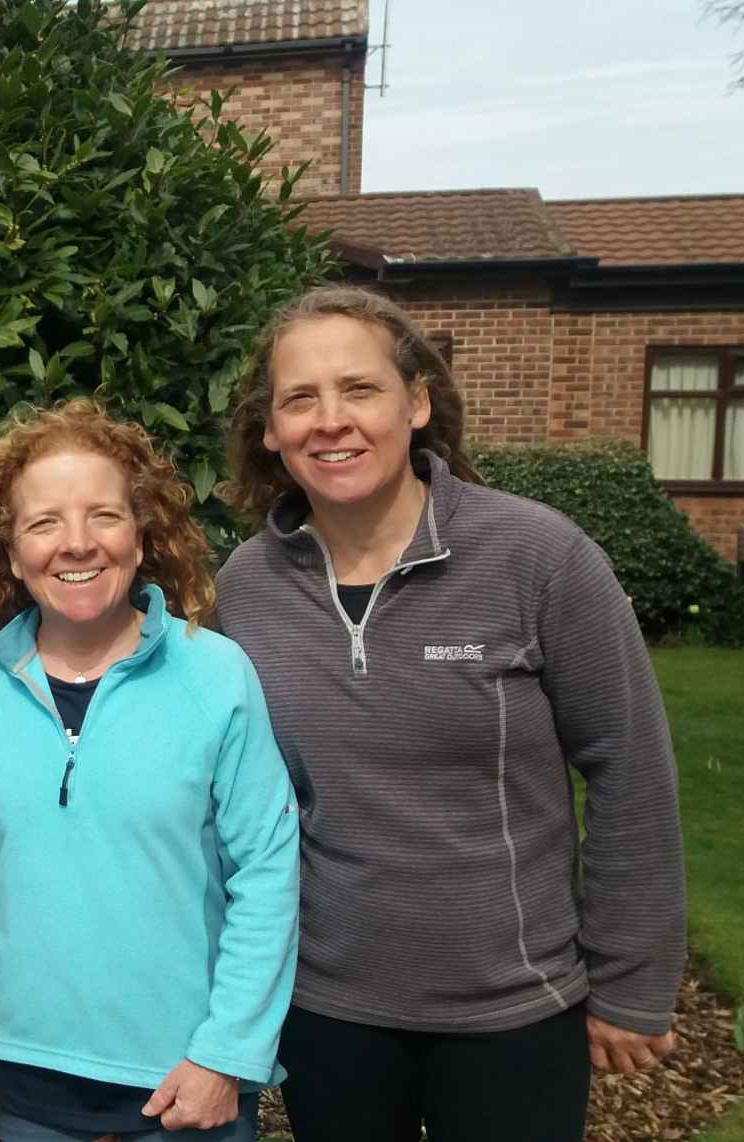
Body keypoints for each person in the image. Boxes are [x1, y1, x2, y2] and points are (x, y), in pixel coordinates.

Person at [213, 285, 686, 1142]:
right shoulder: (245, 589)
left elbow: (629, 765)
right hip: (328, 1011)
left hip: (514, 1012)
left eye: (359, 389)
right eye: (299, 399)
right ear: (271, 432)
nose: (331, 421)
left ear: (417, 403)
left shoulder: (538, 556)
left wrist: (632, 980)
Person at [0, 399, 299, 1142]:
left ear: (141, 530)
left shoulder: (215, 675)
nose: (77, 544)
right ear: (8, 546)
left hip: (184, 1082)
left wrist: (228, 1053)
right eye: (44, 523)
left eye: (104, 515)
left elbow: (267, 870)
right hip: (21, 1078)